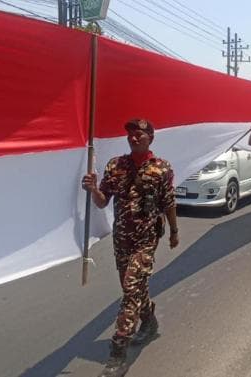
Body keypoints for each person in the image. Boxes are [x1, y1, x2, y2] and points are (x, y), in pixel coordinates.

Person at [81, 119, 179, 377]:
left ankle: (118, 354)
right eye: (130, 135)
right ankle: (149, 321)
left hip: (147, 240)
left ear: (150, 138)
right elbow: (102, 203)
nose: (133, 138)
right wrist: (93, 189)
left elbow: (168, 202)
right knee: (132, 287)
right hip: (122, 239)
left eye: (139, 135)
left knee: (131, 289)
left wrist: (174, 232)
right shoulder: (116, 166)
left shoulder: (161, 169)